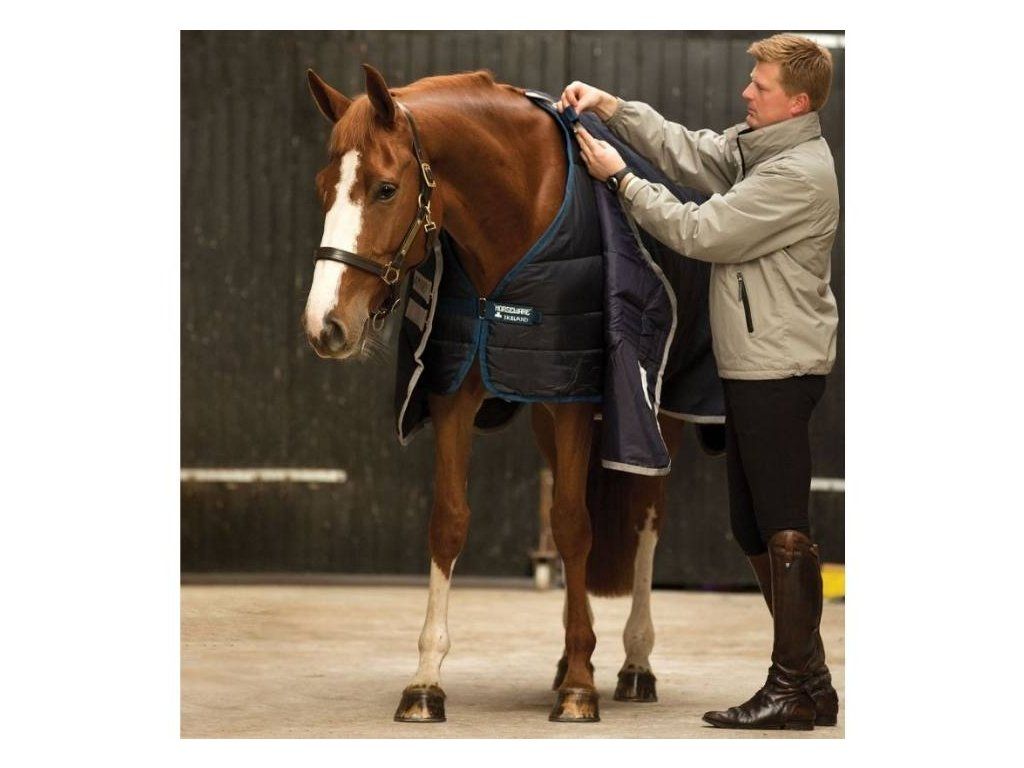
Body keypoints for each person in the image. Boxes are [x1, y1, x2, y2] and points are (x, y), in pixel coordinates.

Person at [558, 33, 840, 730]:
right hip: (753, 362)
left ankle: (792, 686)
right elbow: (688, 149)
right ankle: (810, 682)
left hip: (778, 366)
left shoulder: (795, 175)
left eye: (761, 85)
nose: (747, 92)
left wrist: (620, 181)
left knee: (783, 528)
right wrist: (613, 108)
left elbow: (699, 232)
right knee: (754, 524)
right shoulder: (762, 151)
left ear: (797, 102)